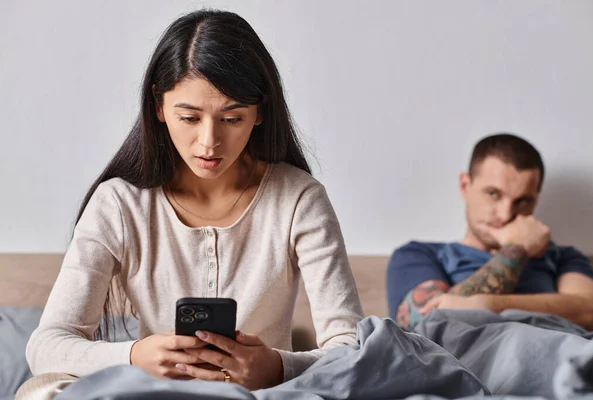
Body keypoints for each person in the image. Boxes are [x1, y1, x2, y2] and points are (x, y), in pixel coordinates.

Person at [21, 9, 363, 397]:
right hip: (152, 393)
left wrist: (277, 366)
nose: (208, 143)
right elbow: (46, 345)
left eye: (232, 119)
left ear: (260, 112)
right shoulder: (119, 204)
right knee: (42, 390)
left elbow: (352, 349)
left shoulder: (299, 199)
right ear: (158, 107)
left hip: (264, 395)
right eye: (189, 117)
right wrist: (134, 356)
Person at [386, 133, 593, 331]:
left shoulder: (563, 257)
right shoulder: (418, 255)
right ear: (464, 185)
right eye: (493, 194)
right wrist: (518, 248)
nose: (506, 214)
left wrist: (486, 305)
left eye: (523, 201)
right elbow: (421, 324)